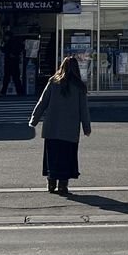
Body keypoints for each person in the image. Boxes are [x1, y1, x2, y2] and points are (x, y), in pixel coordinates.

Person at [28, 56, 91, 195]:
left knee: (52, 156)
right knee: (67, 157)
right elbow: (83, 110)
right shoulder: (79, 87)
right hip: (70, 131)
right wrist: (86, 128)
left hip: (52, 128)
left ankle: (51, 181)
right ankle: (63, 184)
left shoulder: (53, 82)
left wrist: (34, 119)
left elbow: (42, 102)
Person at [0, 29, 24, 96]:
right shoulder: (16, 42)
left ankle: (3, 91)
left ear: (8, 36)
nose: (5, 38)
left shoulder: (8, 43)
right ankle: (19, 92)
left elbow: (4, 50)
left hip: (9, 62)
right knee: (16, 78)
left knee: (7, 78)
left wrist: (1, 47)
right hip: (15, 62)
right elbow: (21, 48)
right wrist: (16, 55)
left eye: (5, 36)